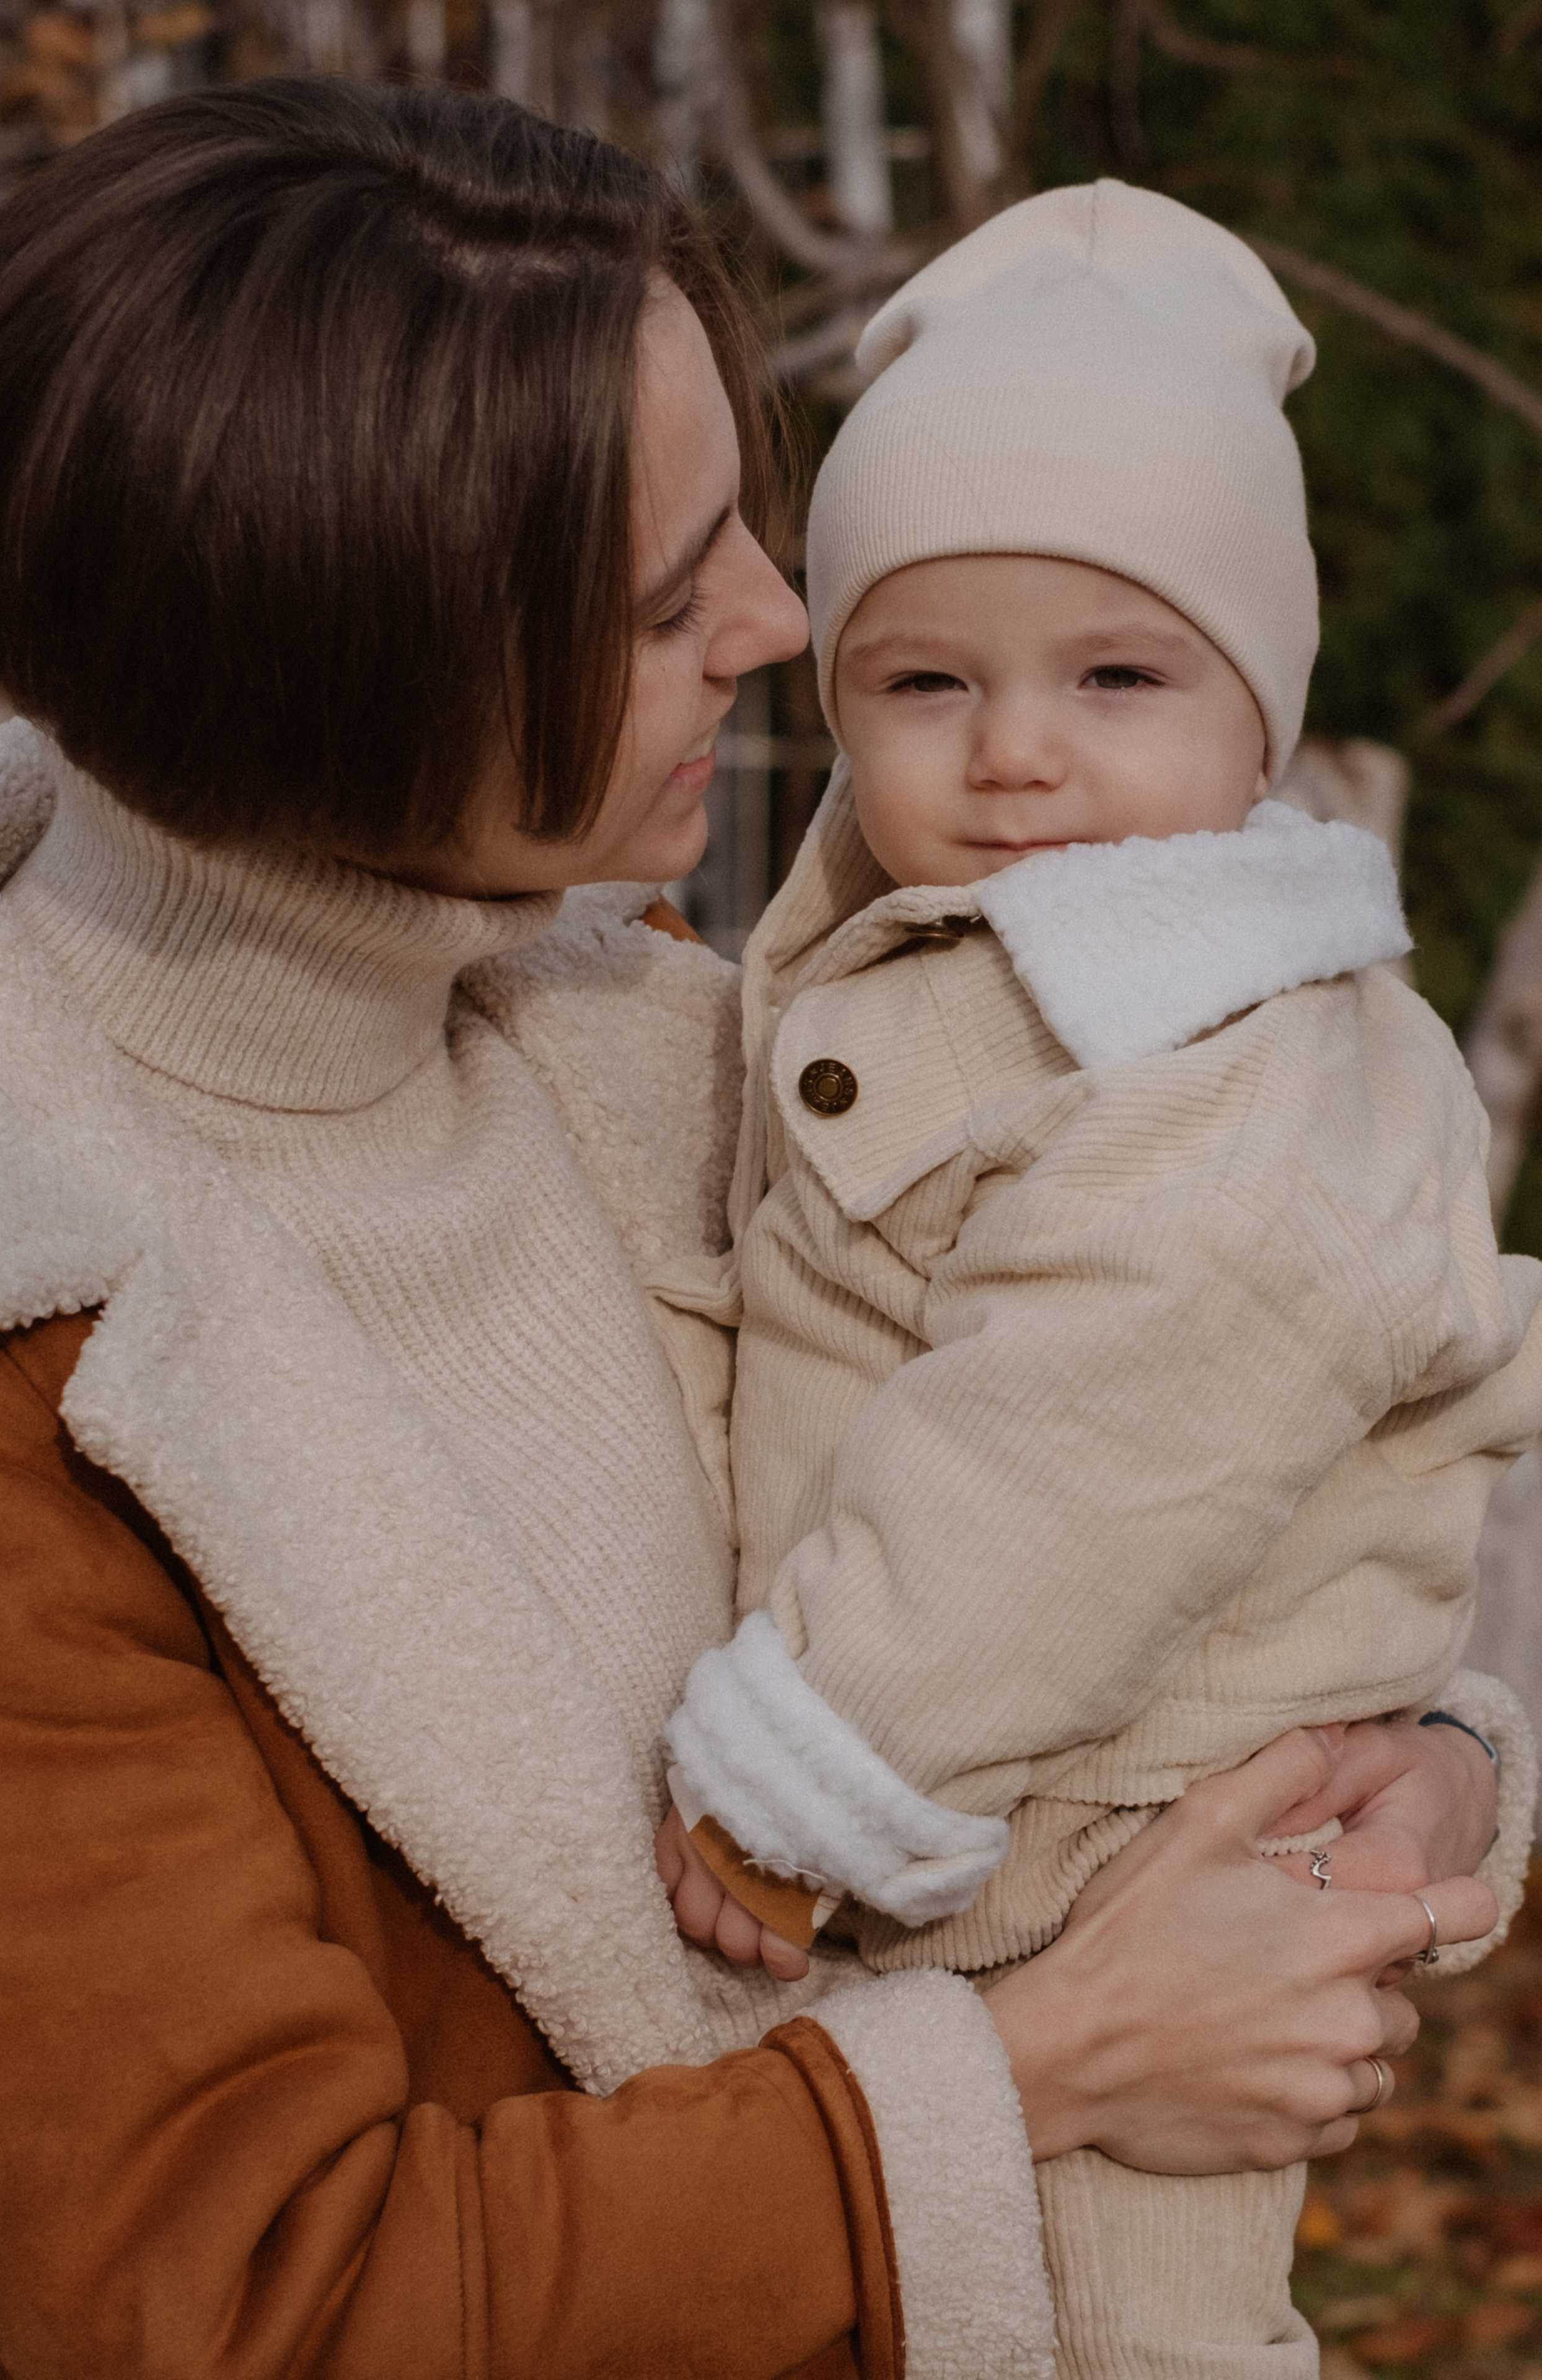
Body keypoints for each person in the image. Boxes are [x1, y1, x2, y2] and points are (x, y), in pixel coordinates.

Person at [0, 89, 1515, 2380]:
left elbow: (1222, 1374)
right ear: (368, 674)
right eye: (671, 592)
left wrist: (1427, 1747)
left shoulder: (657, 1026)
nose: (786, 623)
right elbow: (257, 2308)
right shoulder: (29, 1376)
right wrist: (1045, 2067)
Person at [659, 183, 1542, 2378]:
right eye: (923, 681)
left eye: (1118, 674)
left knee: (1131, 2331)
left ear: (1265, 714)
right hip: (1001, 1844)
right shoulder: (946, 968)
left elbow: (1093, 1448)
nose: (1017, 751)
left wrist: (809, 1776)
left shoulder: (1246, 1052)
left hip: (1147, 1838)